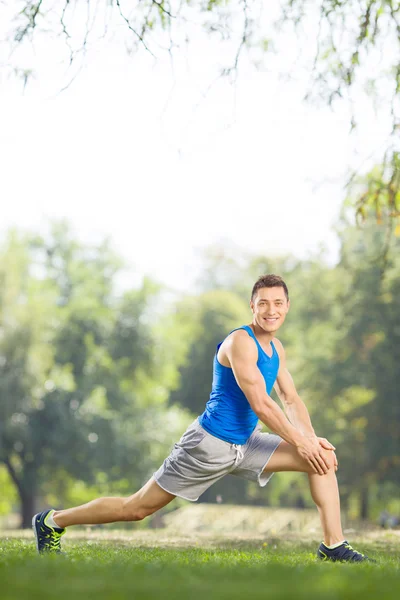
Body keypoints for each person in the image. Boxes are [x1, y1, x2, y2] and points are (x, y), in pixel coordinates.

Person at [33, 274, 372, 562]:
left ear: (287, 307)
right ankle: (53, 521)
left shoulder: (277, 348)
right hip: (208, 445)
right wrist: (301, 441)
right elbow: (262, 404)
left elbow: (290, 399)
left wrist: (311, 440)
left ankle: (333, 546)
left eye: (278, 303)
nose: (271, 310)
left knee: (323, 458)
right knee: (136, 508)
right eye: (263, 303)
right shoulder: (241, 342)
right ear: (252, 306)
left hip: (246, 443)